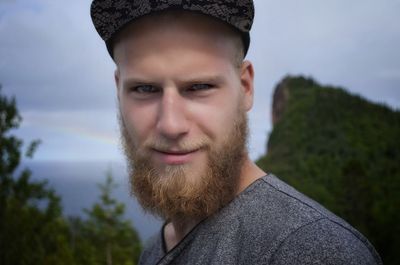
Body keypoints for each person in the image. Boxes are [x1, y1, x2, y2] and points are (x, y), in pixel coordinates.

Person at [90, 1, 382, 264]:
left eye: (200, 87)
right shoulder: (154, 251)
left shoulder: (315, 251)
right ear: (119, 91)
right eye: (144, 89)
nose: (171, 124)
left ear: (245, 88)